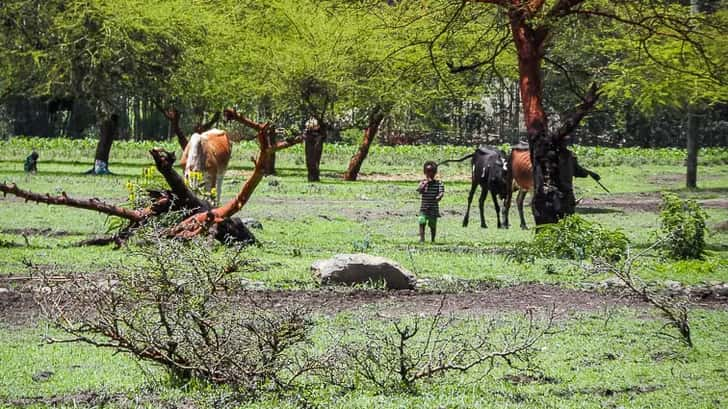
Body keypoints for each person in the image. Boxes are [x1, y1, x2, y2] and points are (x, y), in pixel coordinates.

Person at [417, 161, 444, 243]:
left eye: (432, 171)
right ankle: (422, 239)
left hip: (433, 208)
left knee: (432, 224)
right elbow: (419, 191)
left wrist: (439, 197)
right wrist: (425, 184)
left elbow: (441, 192)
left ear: (435, 172)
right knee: (422, 221)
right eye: (428, 171)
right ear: (425, 172)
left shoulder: (439, 183)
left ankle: (433, 239)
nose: (430, 174)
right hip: (424, 207)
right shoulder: (423, 182)